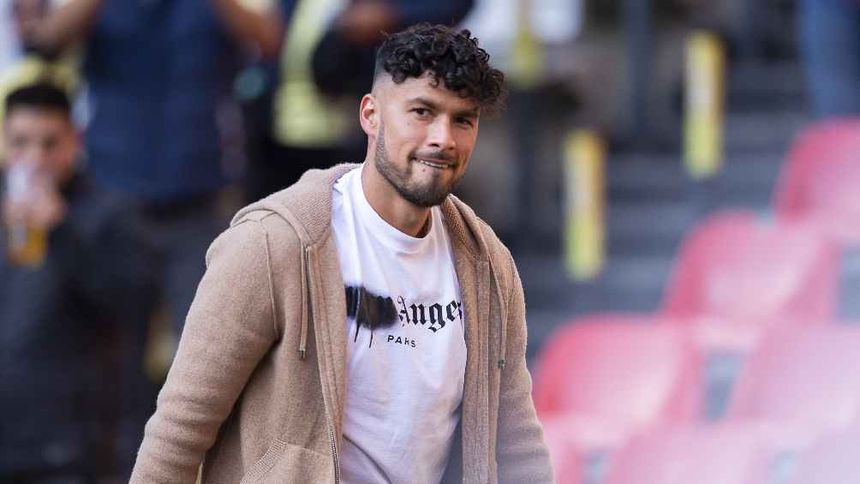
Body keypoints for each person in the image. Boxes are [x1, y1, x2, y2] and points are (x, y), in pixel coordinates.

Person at [130, 24, 554, 483]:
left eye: (463, 120)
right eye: (422, 112)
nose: (443, 138)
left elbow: (515, 436)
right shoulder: (276, 243)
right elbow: (181, 428)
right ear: (371, 115)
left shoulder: (485, 263)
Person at [0, 83, 156, 481]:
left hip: (70, 441)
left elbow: (129, 305)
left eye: (49, 143)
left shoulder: (109, 212)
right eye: (20, 143)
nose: (35, 158)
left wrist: (60, 231)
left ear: (74, 141)